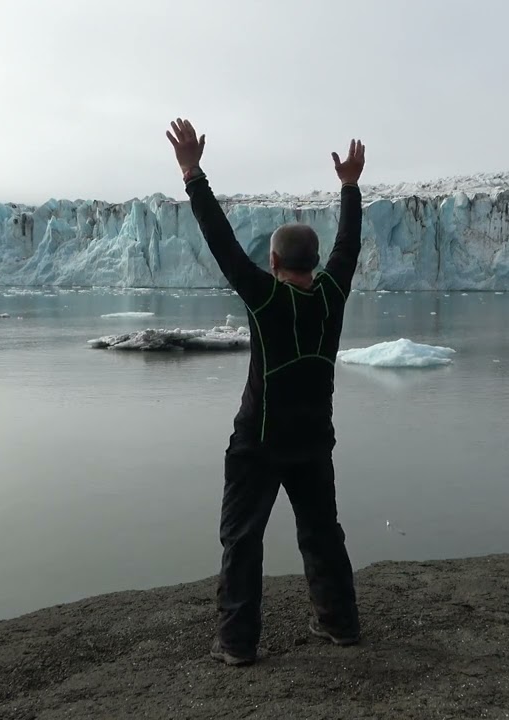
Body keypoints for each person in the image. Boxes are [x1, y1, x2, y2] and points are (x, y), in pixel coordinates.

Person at [165, 118, 365, 666]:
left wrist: (192, 172)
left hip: (259, 439)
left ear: (274, 262)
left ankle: (236, 642)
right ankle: (339, 623)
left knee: (242, 539)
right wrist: (350, 186)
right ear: (315, 262)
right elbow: (349, 245)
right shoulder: (332, 294)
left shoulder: (265, 297)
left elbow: (222, 243)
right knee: (322, 531)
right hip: (313, 439)